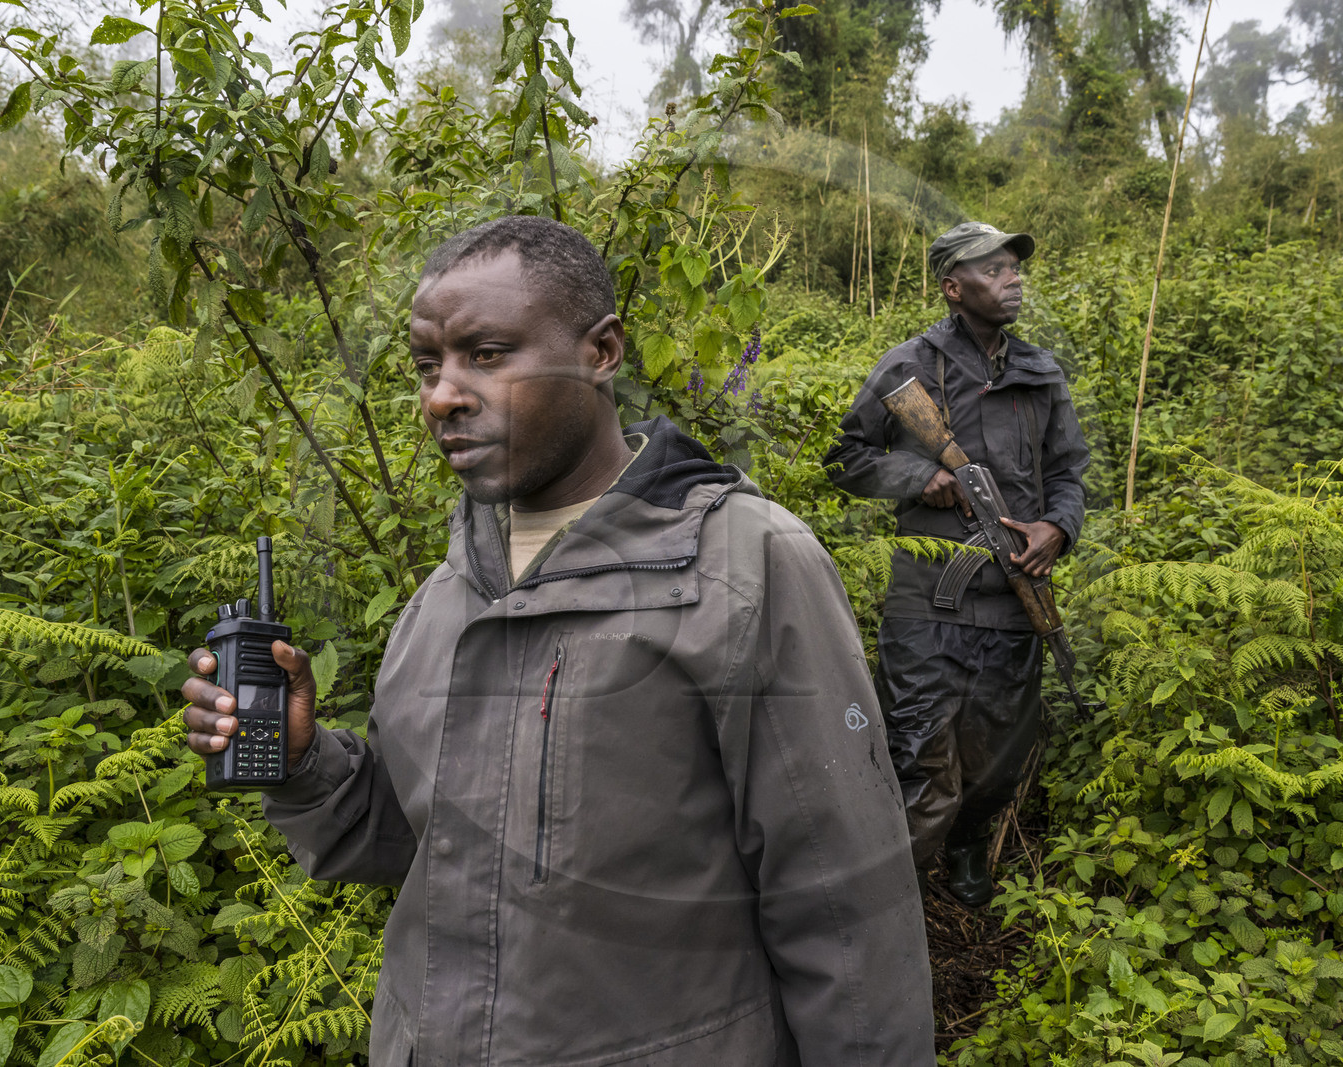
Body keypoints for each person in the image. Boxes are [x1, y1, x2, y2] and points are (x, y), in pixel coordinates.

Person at [181, 216, 933, 1066]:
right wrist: (302, 760)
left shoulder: (746, 569)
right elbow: (411, 840)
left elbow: (844, 915)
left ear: (602, 351)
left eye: (488, 354)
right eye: (428, 367)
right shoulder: (447, 595)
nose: (442, 395)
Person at [823, 221, 1090, 907]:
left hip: (1013, 595)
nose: (1013, 279)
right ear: (952, 287)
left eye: (1013, 268)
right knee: (917, 746)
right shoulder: (905, 367)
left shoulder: (1040, 371)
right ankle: (893, 888)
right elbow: (845, 460)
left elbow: (1068, 471)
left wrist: (1057, 527)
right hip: (926, 603)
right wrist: (919, 477)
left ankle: (970, 847)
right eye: (994, 270)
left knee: (998, 751)